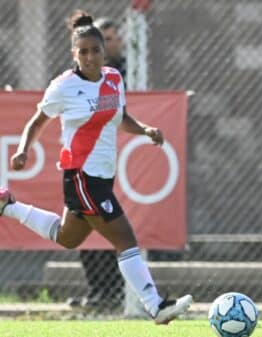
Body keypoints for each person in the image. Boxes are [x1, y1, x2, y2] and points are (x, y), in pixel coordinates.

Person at [0, 14, 191, 324]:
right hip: (81, 177)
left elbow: (121, 117)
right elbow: (37, 121)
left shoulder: (114, 78)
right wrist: (23, 150)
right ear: (74, 54)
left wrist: (145, 130)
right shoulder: (64, 86)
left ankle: (8, 207)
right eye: (83, 51)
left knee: (68, 238)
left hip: (102, 177)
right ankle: (155, 305)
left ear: (104, 52)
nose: (90, 57)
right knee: (125, 240)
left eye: (95, 50)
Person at [64, 13, 127, 312]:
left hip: (110, 163)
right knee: (87, 233)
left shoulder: (119, 73)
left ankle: (116, 291)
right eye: (109, 39)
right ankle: (102, 291)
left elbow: (122, 113)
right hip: (83, 168)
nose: (114, 45)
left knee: (94, 231)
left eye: (113, 40)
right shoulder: (73, 80)